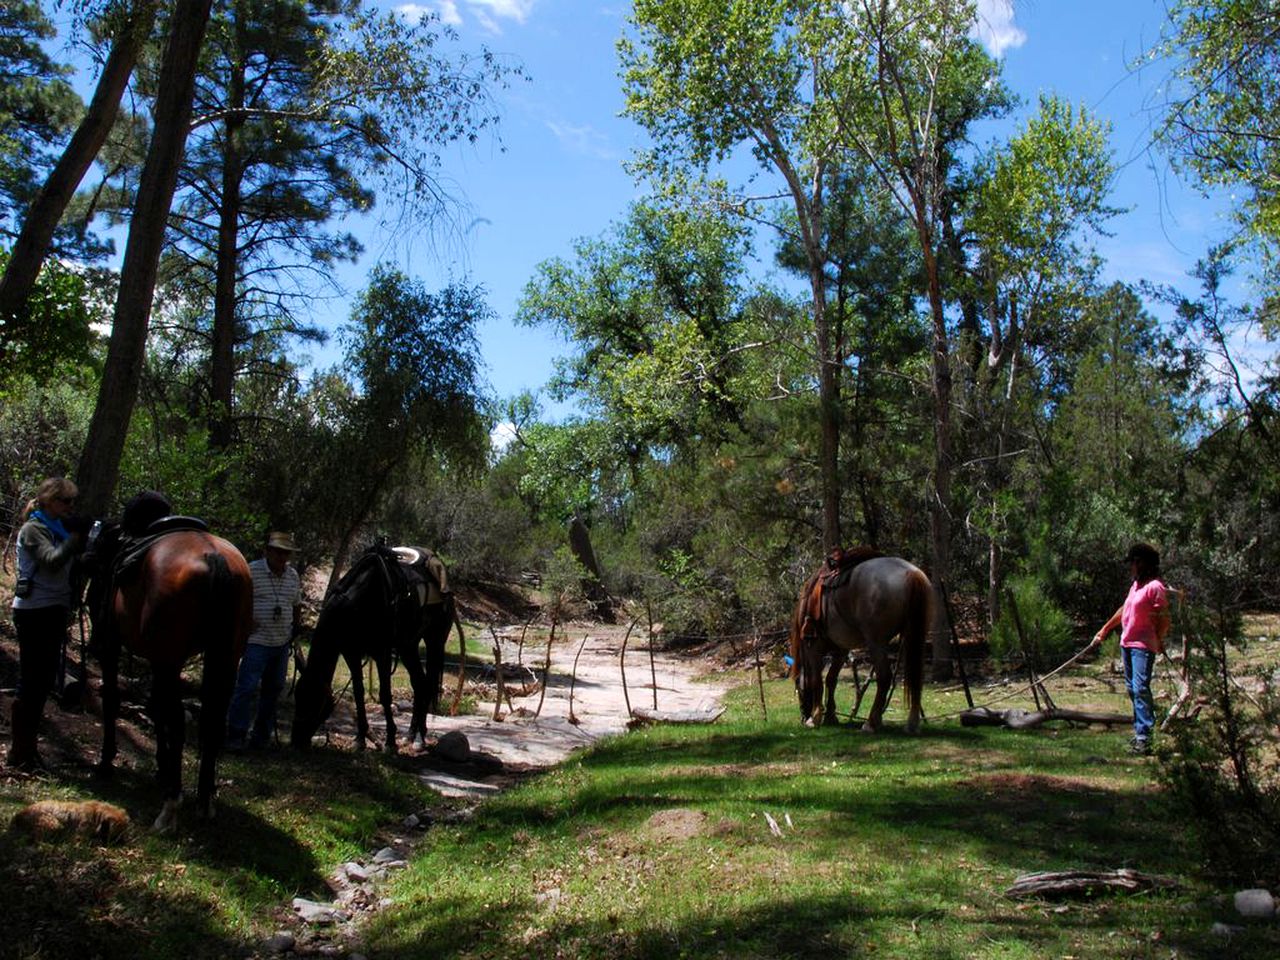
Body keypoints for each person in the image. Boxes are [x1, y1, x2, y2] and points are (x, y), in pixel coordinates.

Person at [7, 477, 87, 770]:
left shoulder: (56, 529)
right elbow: (51, 560)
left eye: (72, 502)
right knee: (31, 680)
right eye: (66, 501)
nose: (70, 507)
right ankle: (19, 750)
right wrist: (74, 541)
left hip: (53, 609)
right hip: (34, 611)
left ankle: (28, 749)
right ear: (50, 501)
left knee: (42, 682)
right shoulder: (33, 529)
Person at [1090, 542, 1171, 755]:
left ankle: (1145, 737)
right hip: (1127, 643)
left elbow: (1164, 618)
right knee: (1132, 689)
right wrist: (1105, 630)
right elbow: (1124, 609)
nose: (1131, 568)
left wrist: (1158, 639)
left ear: (1142, 563)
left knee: (1140, 688)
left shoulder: (1155, 587)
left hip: (1143, 646)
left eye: (1133, 563)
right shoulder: (1136, 586)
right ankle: (1140, 734)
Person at [227, 531, 302, 749]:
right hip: (256, 641)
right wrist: (244, 623)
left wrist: (295, 627)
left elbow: (296, 603)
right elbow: (238, 602)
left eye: (286, 553)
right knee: (247, 688)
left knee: (273, 690)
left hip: (281, 642)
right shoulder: (252, 571)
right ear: (267, 551)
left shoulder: (293, 576)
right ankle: (236, 735)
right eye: (278, 552)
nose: (282, 557)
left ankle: (261, 737)